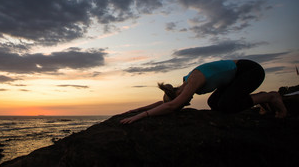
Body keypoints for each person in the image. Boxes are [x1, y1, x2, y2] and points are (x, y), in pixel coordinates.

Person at [120, 59, 287, 124]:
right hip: (234, 80)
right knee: (213, 103)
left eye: (182, 103)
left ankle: (270, 97)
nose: (186, 103)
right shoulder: (184, 85)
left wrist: (141, 117)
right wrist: (136, 110)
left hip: (249, 71)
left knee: (227, 104)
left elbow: (171, 106)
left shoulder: (192, 81)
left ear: (176, 94)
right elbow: (167, 104)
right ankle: (261, 99)